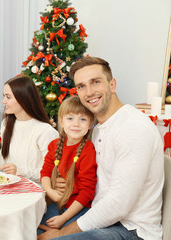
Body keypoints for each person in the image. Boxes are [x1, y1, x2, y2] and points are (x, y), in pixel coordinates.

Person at [38, 57, 164, 240]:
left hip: (131, 229)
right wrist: (65, 181)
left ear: (112, 85)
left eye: (95, 82)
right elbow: (92, 176)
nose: (89, 92)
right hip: (98, 214)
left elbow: (118, 205)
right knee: (25, 227)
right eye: (81, 86)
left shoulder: (133, 128)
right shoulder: (96, 129)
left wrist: (62, 233)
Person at [0, 75, 59, 182]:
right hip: (11, 185)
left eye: (8, 97)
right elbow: (8, 165)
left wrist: (20, 170)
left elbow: (52, 173)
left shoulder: (45, 131)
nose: (3, 101)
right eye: (4, 96)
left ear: (23, 99)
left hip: (36, 191)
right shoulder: (6, 124)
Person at [38, 96, 97, 234]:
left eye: (82, 119)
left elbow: (87, 192)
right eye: (70, 118)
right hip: (57, 202)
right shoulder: (55, 145)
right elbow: (45, 172)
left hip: (79, 208)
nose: (76, 124)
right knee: (33, 229)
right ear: (61, 121)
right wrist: (51, 192)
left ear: (90, 124)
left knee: (55, 235)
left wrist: (63, 218)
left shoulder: (88, 150)